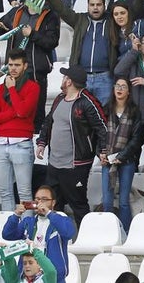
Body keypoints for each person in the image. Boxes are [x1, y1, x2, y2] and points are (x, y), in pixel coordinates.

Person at [35, 66, 109, 225]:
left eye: (64, 77)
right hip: (54, 164)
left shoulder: (87, 102)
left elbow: (102, 127)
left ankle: (86, 236)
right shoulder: (59, 98)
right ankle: (56, 236)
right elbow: (48, 122)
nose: (62, 80)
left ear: (69, 81)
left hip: (76, 165)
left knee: (78, 204)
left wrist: (103, 150)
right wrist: (42, 142)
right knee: (53, 205)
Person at [0, 52, 40, 211]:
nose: (13, 68)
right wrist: (13, 113)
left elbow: (23, 111)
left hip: (21, 144)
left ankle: (27, 225)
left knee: (25, 194)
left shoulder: (33, 87)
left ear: (25, 66)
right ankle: (9, 225)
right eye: (10, 65)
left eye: (17, 65)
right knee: (5, 193)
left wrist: (11, 89)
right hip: (1, 144)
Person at [2, 185, 76, 283]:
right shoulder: (28, 222)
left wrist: (48, 213)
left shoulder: (62, 221)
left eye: (44, 199)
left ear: (53, 202)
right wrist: (16, 215)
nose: (39, 203)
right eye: (37, 199)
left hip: (53, 279)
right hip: (27, 278)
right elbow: (7, 234)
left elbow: (68, 233)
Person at [100, 77, 144, 232]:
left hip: (127, 160)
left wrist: (122, 156)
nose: (119, 89)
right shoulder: (106, 110)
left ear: (129, 92)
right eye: (117, 86)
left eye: (123, 86)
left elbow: (136, 139)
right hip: (108, 160)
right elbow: (99, 134)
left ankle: (126, 233)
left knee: (124, 201)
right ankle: (108, 233)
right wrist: (101, 153)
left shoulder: (134, 111)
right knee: (107, 201)